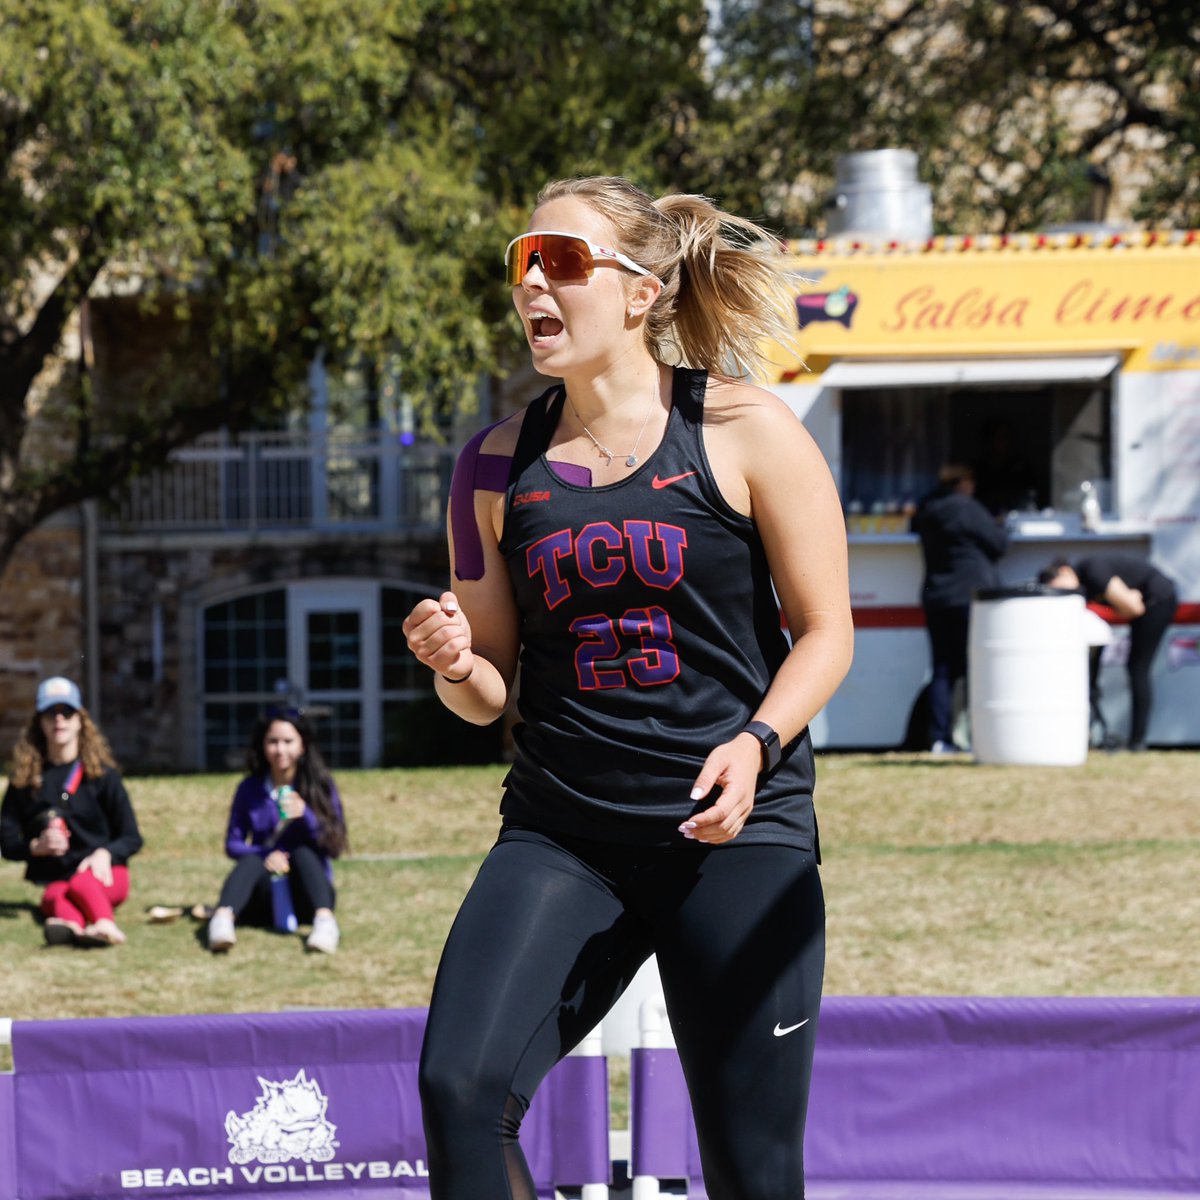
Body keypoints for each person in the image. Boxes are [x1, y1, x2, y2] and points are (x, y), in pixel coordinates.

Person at [401, 176, 854, 1200]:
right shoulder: (489, 466)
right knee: (460, 1093)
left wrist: (758, 743)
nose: (534, 283)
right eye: (524, 259)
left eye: (563, 259)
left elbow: (827, 636)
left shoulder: (745, 427)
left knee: (751, 1169)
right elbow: (489, 698)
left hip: (733, 834)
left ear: (641, 292)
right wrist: (455, 664)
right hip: (565, 834)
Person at [0, 676, 142, 946]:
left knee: (79, 884)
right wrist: (35, 847)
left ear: (80, 720)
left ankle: (104, 923)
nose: (59, 720)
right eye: (50, 713)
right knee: (52, 896)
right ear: (39, 722)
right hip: (57, 878)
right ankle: (73, 929)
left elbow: (132, 837)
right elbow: (6, 843)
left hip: (104, 875)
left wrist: (106, 853)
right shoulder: (25, 781)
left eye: (66, 712)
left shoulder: (103, 776)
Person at [206, 709, 347, 954]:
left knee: (303, 853)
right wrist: (267, 854)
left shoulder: (320, 785)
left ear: (303, 745)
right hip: (264, 893)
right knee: (251, 860)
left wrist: (306, 815)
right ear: (262, 745)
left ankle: (325, 923)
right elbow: (233, 844)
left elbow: (335, 845)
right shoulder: (250, 788)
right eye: (273, 742)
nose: (280, 750)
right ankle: (222, 920)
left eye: (288, 741)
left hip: (308, 891)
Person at [910, 464, 1008, 753]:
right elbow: (999, 544)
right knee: (976, 667)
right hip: (969, 595)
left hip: (936, 595)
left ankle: (940, 739)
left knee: (942, 669)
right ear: (964, 483)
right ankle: (980, 736)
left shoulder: (927, 510)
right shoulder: (968, 508)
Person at [1038, 554, 1178, 751]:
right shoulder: (1084, 586)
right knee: (1133, 668)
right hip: (1145, 604)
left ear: (1064, 572)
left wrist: (1125, 606)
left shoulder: (1093, 569)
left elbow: (1134, 607)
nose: (1061, 592)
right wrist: (1124, 605)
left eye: (1058, 586)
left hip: (1159, 599)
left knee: (1138, 668)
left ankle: (1137, 741)